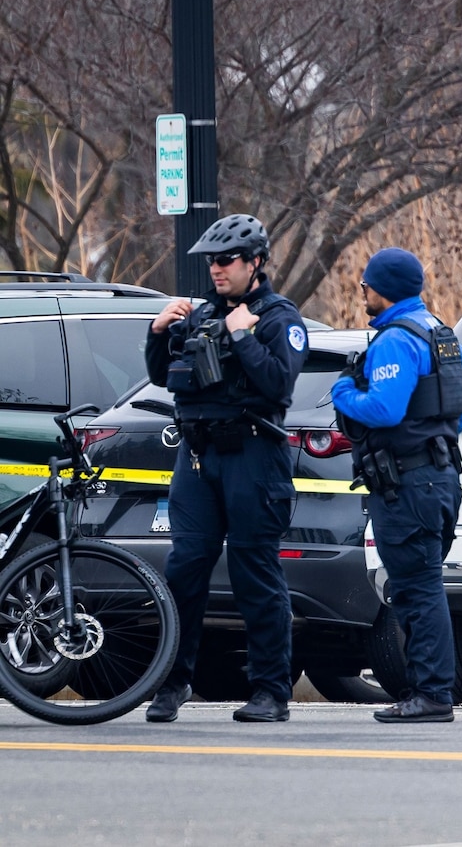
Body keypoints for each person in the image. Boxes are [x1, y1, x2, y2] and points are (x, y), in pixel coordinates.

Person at [143, 213, 307, 723]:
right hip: (197, 457)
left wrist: (242, 337)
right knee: (184, 568)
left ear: (255, 262)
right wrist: (157, 333)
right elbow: (164, 375)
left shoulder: (278, 318)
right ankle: (172, 683)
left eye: (226, 260)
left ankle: (271, 691)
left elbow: (278, 384)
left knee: (254, 571)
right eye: (211, 261)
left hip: (252, 457)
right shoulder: (202, 314)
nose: (216, 269)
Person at [330, 247, 462, 723]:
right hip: (440, 478)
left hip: (407, 484)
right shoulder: (439, 333)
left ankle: (432, 694)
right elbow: (456, 415)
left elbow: (384, 409)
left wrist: (342, 392)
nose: (362, 293)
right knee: (422, 586)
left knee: (416, 590)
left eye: (365, 285)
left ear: (382, 289)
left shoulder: (394, 340)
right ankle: (428, 690)